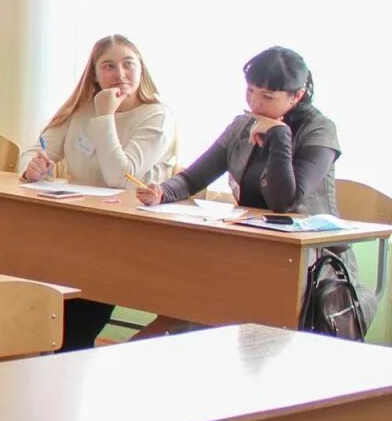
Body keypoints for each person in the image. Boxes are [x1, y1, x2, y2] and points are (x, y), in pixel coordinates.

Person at [137, 46, 370, 319]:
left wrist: (280, 137)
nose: (255, 104)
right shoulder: (243, 125)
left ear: (297, 95)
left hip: (313, 262)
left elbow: (284, 202)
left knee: (219, 301)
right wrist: (162, 192)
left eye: (267, 96)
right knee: (192, 290)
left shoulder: (319, 129)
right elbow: (193, 178)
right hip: (253, 248)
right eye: (250, 91)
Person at [21, 36, 176, 349]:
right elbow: (37, 149)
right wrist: (31, 168)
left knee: (74, 324)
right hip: (75, 227)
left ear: (141, 68)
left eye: (128, 64)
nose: (120, 73)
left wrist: (105, 117)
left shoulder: (156, 116)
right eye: (109, 66)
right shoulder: (80, 110)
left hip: (124, 234)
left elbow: (120, 177)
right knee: (38, 305)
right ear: (94, 74)